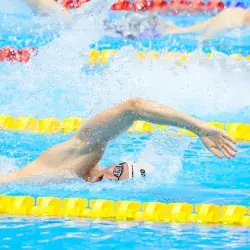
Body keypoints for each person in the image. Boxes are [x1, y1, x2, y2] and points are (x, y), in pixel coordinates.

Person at [1, 98, 237, 184]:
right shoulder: (81, 155)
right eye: (122, 170)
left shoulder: (82, 182)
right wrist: (198, 127)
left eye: (125, 177)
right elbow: (133, 107)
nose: (117, 176)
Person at [160, 8, 250, 39]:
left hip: (233, 14)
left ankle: (170, 27)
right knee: (202, 39)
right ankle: (169, 29)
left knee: (188, 30)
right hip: (230, 20)